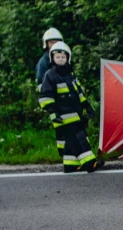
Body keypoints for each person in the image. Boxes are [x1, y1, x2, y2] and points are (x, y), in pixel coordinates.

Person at [39, 41, 98, 173]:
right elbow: (45, 96)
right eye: (57, 57)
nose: (60, 59)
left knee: (70, 141)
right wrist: (53, 113)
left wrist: (87, 106)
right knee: (79, 138)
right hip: (62, 116)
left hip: (75, 114)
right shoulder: (49, 75)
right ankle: (90, 163)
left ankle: (70, 165)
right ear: (52, 58)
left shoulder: (71, 75)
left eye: (63, 57)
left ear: (68, 58)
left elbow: (79, 93)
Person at [37, 27, 65, 157]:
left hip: (67, 100)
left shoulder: (63, 58)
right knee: (61, 128)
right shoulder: (44, 62)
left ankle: (71, 155)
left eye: (56, 41)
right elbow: (41, 85)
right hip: (54, 101)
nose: (54, 44)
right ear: (46, 44)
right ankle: (65, 154)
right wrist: (50, 106)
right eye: (51, 42)